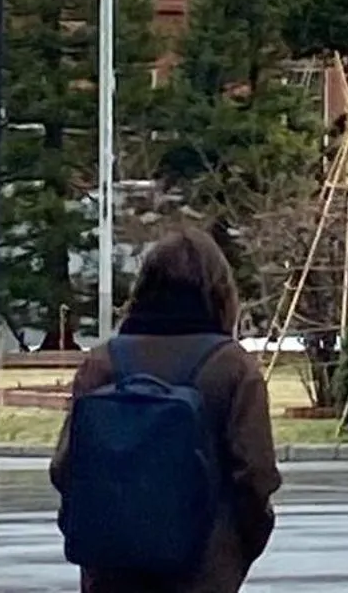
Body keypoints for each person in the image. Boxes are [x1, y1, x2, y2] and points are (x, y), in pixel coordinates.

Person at [51, 227, 282, 593]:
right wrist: (236, 548)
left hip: (112, 566)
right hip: (203, 567)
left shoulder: (103, 363)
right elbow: (256, 474)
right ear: (221, 291)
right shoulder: (232, 367)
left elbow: (65, 468)